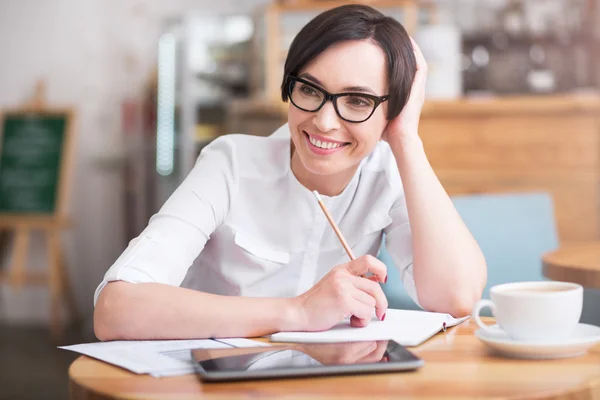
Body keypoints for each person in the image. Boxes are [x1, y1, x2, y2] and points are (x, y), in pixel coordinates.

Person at [94, 4, 487, 341]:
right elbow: (115, 309)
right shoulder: (230, 164)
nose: (324, 121)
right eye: (310, 90)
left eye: (357, 101)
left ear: (390, 110)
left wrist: (406, 139)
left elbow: (456, 298)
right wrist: (297, 312)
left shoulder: (386, 175)